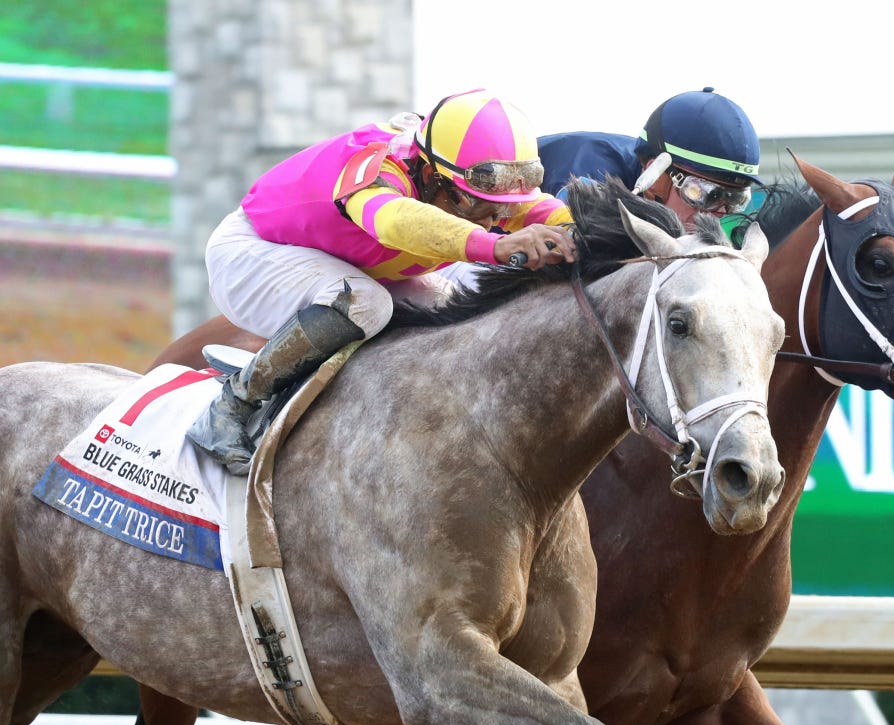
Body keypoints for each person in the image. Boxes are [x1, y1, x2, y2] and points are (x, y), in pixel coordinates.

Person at [187, 88, 577, 475]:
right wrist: (496, 246)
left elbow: (542, 210)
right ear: (429, 175)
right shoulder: (379, 168)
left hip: (347, 264)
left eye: (502, 210)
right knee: (365, 302)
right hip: (254, 252)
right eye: (477, 205)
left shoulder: (456, 176)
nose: (492, 221)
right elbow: (393, 221)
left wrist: (579, 232)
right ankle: (231, 407)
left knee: (451, 308)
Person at [538, 87, 763, 231]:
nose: (720, 213)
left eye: (735, 199)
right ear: (655, 176)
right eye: (704, 193)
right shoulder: (589, 182)